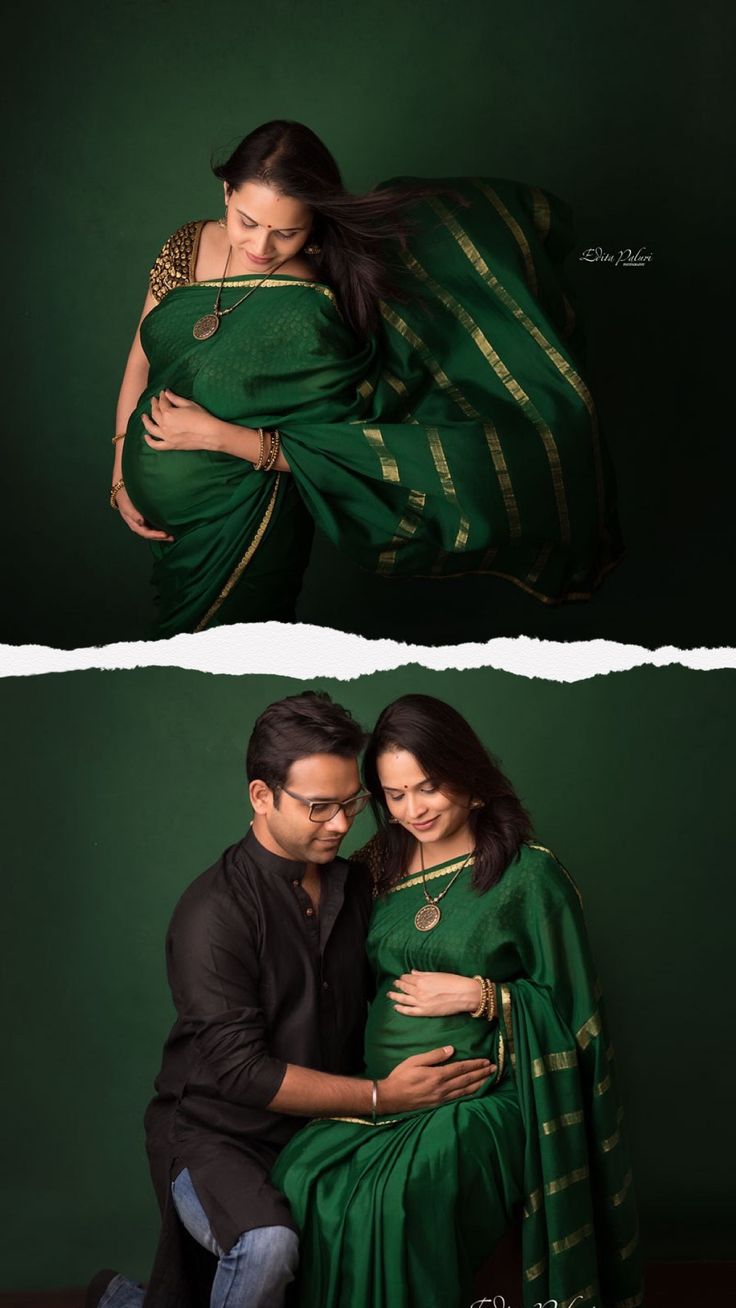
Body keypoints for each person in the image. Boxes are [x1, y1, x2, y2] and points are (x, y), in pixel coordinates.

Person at [110, 119, 622, 636]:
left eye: (287, 231)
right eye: (247, 221)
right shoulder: (186, 245)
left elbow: (335, 450)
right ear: (227, 192)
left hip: (248, 527)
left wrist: (215, 436)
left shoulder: (316, 301)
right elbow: (139, 361)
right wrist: (120, 473)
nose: (261, 246)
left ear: (315, 219)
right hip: (171, 533)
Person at [86, 691, 494, 1308]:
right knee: (268, 1247)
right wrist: (385, 1096)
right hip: (217, 1134)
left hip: (325, 1124)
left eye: (350, 804)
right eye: (319, 807)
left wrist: (483, 993)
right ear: (261, 797)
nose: (339, 823)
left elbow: (443, 880)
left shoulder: (358, 881)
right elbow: (242, 1074)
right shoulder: (212, 913)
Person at [271, 694, 644, 1308]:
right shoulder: (372, 873)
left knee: (407, 1192)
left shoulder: (528, 877)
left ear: (469, 778)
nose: (412, 809)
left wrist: (486, 994)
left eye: (429, 787)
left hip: (485, 1101)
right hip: (384, 1094)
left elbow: (579, 1022)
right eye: (394, 794)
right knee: (302, 1173)